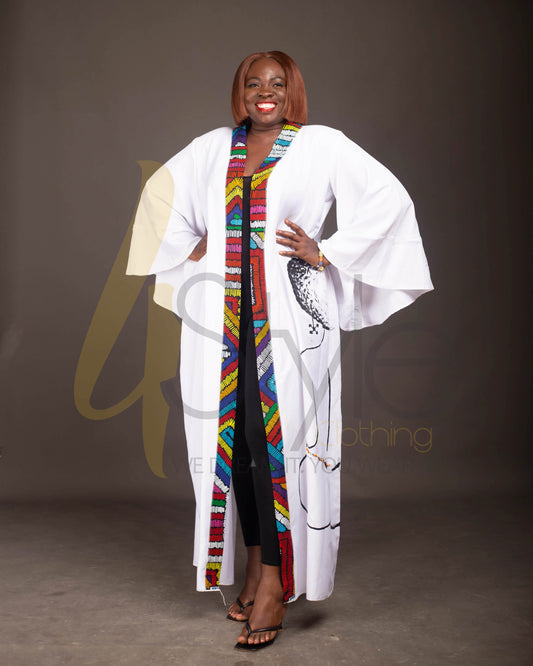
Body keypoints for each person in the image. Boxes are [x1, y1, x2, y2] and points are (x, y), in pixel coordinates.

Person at [126, 51, 433, 651]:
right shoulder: (215, 148)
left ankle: (274, 582)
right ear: (238, 91)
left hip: (289, 324)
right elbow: (161, 199)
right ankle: (249, 563)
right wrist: (191, 249)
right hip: (220, 325)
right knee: (235, 444)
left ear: (292, 91)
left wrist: (328, 253)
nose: (264, 92)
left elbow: (389, 200)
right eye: (252, 82)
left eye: (277, 83)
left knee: (278, 449)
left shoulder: (321, 145)